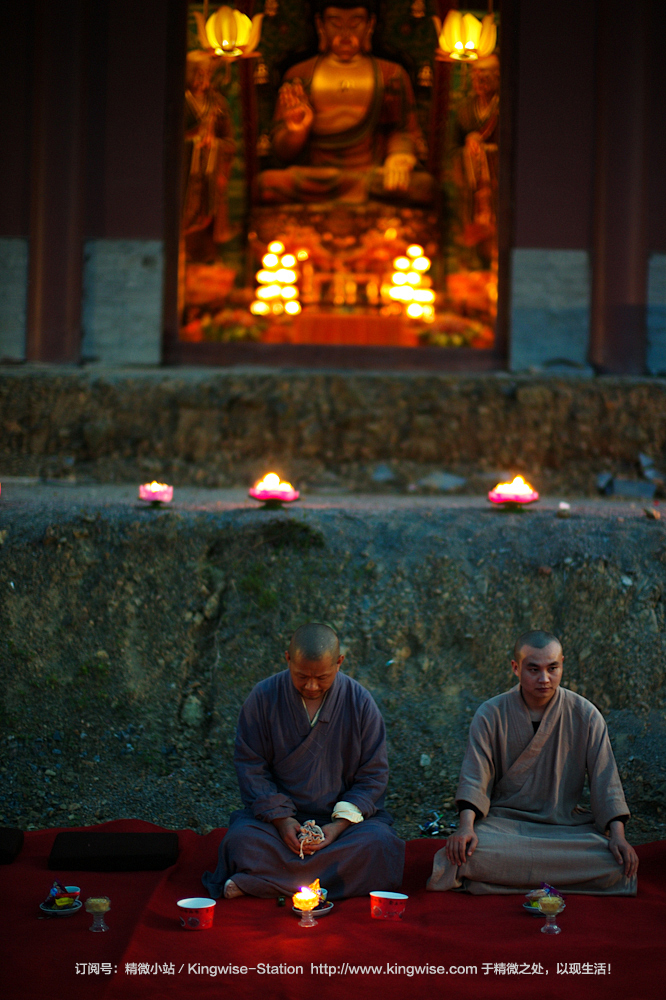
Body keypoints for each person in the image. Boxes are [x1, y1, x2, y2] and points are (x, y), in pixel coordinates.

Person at [427, 630, 639, 895]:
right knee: (462, 855)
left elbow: (606, 782)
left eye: (553, 668)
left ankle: (493, 882)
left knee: (614, 863)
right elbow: (475, 778)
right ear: (516, 668)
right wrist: (466, 828)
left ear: (562, 663)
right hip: (504, 825)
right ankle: (559, 881)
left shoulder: (586, 715)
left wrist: (618, 836)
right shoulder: (491, 714)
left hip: (564, 827)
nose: (544, 679)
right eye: (533, 669)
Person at [202, 622, 404, 899]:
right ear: (287, 658)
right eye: (301, 676)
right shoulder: (262, 698)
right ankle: (323, 885)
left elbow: (374, 775)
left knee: (380, 844)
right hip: (277, 823)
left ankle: (262, 883)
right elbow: (250, 766)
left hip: (340, 824)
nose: (311, 685)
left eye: (321, 677)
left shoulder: (360, 703)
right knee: (240, 841)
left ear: (339, 662)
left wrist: (337, 827)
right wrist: (282, 820)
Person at [256, 2, 434, 205]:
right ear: (320, 25)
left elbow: (403, 130)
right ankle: (356, 194)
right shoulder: (299, 75)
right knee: (265, 184)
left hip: (372, 174)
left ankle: (358, 189)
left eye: (355, 23)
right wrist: (297, 131)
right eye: (335, 23)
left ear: (370, 25)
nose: (346, 33)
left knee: (424, 186)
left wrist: (399, 157)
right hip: (316, 177)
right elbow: (282, 153)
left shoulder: (390, 73)